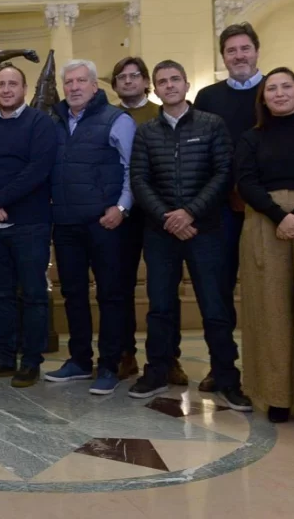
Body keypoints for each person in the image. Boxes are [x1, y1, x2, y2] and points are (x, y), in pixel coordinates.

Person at [129, 60, 252, 411]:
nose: (169, 85)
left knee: (215, 307)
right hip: (161, 231)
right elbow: (139, 179)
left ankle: (227, 378)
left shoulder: (212, 125)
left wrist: (190, 212)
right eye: (162, 81)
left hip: (205, 229)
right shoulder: (146, 132)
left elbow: (223, 172)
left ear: (186, 85)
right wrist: (169, 216)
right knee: (161, 307)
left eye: (175, 80)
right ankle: (157, 371)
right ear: (155, 89)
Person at [45, 60, 135, 396]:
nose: (74, 87)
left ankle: (109, 365)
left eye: (81, 81)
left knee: (110, 295)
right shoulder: (55, 123)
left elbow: (132, 168)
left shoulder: (117, 120)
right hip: (66, 224)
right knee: (73, 294)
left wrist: (122, 208)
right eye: (69, 82)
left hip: (105, 223)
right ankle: (80, 361)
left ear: (95, 86)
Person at [0, 65, 56, 388]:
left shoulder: (40, 123)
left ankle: (31, 361)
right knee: (0, 294)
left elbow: (38, 170)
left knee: (33, 294)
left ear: (23, 88)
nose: (6, 89)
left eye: (12, 84)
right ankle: (4, 357)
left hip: (30, 224)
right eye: (1, 84)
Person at [110, 57, 188, 386]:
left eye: (134, 76)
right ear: (114, 85)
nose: (128, 82)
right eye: (121, 77)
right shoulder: (108, 117)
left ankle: (168, 358)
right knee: (119, 288)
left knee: (163, 290)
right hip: (122, 214)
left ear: (146, 82)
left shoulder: (162, 113)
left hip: (160, 215)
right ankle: (124, 354)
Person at [194, 22, 262, 392]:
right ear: (223, 57)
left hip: (265, 210)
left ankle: (273, 367)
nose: (239, 56)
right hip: (217, 212)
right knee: (216, 292)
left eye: (244, 48)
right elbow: (200, 156)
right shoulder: (208, 97)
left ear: (256, 50)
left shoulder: (276, 91)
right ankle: (221, 367)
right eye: (231, 51)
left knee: (271, 289)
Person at [236, 67, 294, 423]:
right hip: (264, 220)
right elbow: (245, 181)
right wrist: (281, 216)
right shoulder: (251, 137)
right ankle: (277, 396)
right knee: (271, 311)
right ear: (263, 98)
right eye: (271, 88)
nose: (279, 93)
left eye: (287, 86)